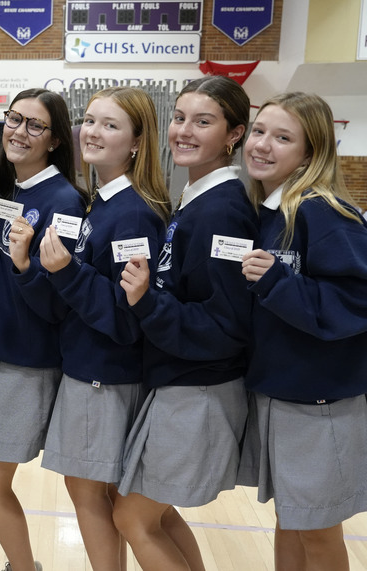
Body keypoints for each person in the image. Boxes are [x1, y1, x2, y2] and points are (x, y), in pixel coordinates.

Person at [115, 75, 257, 571]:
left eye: (203, 121)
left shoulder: (222, 212)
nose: (184, 131)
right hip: (179, 383)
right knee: (155, 514)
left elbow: (226, 324)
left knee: (131, 518)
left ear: (234, 134)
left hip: (199, 390)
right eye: (179, 118)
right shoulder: (197, 200)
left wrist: (145, 301)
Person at [32, 87, 170, 570]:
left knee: (89, 491)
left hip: (104, 375)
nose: (92, 132)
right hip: (92, 370)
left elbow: (126, 316)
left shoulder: (131, 211)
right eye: (89, 120)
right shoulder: (102, 202)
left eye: (110, 125)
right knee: (106, 495)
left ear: (136, 142)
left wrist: (67, 271)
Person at [240, 92, 367, 571]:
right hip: (280, 395)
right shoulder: (269, 211)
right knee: (292, 520)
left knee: (315, 528)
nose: (263, 144)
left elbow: (356, 302)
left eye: (283, 137)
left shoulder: (322, 210)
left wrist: (277, 283)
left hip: (320, 404)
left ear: (310, 154)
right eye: (259, 131)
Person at [0, 88, 87, 571]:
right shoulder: (10, 188)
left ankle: (24, 567)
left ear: (55, 140)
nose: (18, 131)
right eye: (14, 119)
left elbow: (63, 298)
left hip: (28, 361)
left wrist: (24, 266)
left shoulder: (66, 201)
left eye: (34, 126)